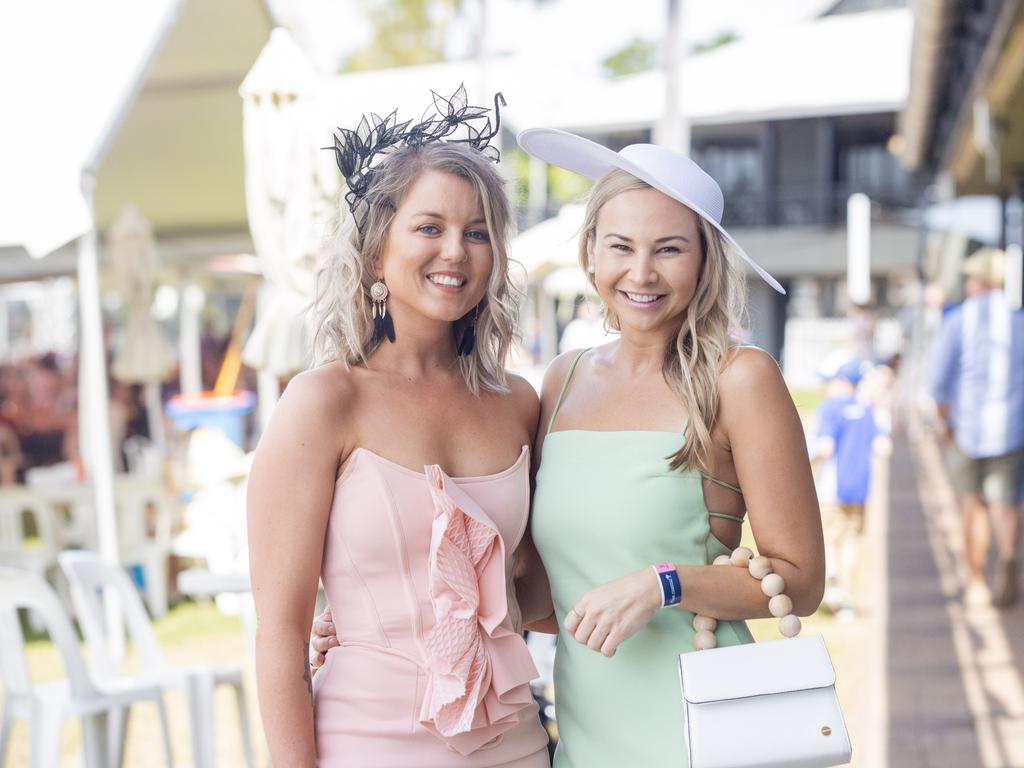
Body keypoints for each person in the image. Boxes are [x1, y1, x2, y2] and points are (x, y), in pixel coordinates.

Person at [316, 130, 825, 766]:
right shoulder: (562, 382)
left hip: (704, 726)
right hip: (587, 731)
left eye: (669, 249)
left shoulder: (739, 379)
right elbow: (544, 596)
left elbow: (800, 584)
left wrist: (663, 585)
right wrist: (390, 612)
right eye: (621, 246)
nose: (641, 272)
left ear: (704, 261)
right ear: (590, 253)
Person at [247, 88, 550, 768]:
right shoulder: (323, 403)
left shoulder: (520, 403)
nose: (457, 251)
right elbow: (280, 635)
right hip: (367, 746)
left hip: (518, 747)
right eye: (430, 227)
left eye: (478, 232)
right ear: (377, 251)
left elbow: (535, 587)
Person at [931, 247, 1024, 608]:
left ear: (978, 281)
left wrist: (944, 421)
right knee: (1005, 503)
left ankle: (975, 583)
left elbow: (939, 382)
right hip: (1012, 429)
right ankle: (1009, 555)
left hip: (967, 430)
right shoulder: (1018, 319)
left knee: (974, 505)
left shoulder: (958, 320)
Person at [810, 357, 891, 618]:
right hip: (860, 489)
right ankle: (847, 599)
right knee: (852, 543)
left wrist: (801, 460)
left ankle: (835, 587)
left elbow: (825, 448)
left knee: (830, 540)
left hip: (831, 490)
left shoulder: (829, 408)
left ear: (840, 381)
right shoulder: (866, 409)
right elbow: (882, 446)